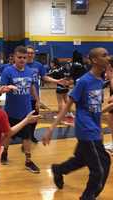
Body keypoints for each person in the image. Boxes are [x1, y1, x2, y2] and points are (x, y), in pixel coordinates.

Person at [42, 47, 111, 200]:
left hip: (93, 128)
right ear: (94, 60)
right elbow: (68, 106)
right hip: (86, 130)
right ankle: (88, 197)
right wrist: (51, 128)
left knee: (81, 159)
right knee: (101, 167)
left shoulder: (99, 81)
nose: (108, 57)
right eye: (104, 55)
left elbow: (96, 108)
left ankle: (58, 169)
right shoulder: (84, 81)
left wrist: (99, 126)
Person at [0, 45, 40, 173]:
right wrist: (6, 88)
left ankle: (28, 161)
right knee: (8, 135)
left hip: (26, 111)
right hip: (11, 111)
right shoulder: (7, 71)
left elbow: (32, 87)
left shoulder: (30, 71)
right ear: (14, 57)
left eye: (24, 57)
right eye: (19, 57)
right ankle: (5, 152)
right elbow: (0, 89)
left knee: (27, 137)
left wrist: (37, 100)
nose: (22, 59)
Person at [26, 46, 68, 143]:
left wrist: (57, 81)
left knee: (35, 117)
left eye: (32, 53)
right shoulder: (21, 64)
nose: (30, 54)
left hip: (34, 97)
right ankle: (25, 137)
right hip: (22, 97)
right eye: (28, 52)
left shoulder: (38, 65)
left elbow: (44, 77)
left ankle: (31, 135)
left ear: (34, 54)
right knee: (25, 118)